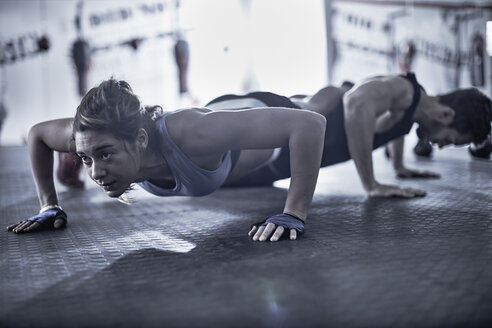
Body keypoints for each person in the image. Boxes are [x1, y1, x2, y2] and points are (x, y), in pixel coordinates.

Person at [7, 73, 492, 241]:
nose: (96, 171)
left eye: (104, 156)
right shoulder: (96, 136)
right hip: (240, 147)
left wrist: (293, 214)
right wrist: (51, 205)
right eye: (89, 158)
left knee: (309, 110)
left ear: (138, 139)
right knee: (292, 129)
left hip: (256, 121)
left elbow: (309, 125)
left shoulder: (189, 134)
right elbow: (36, 134)